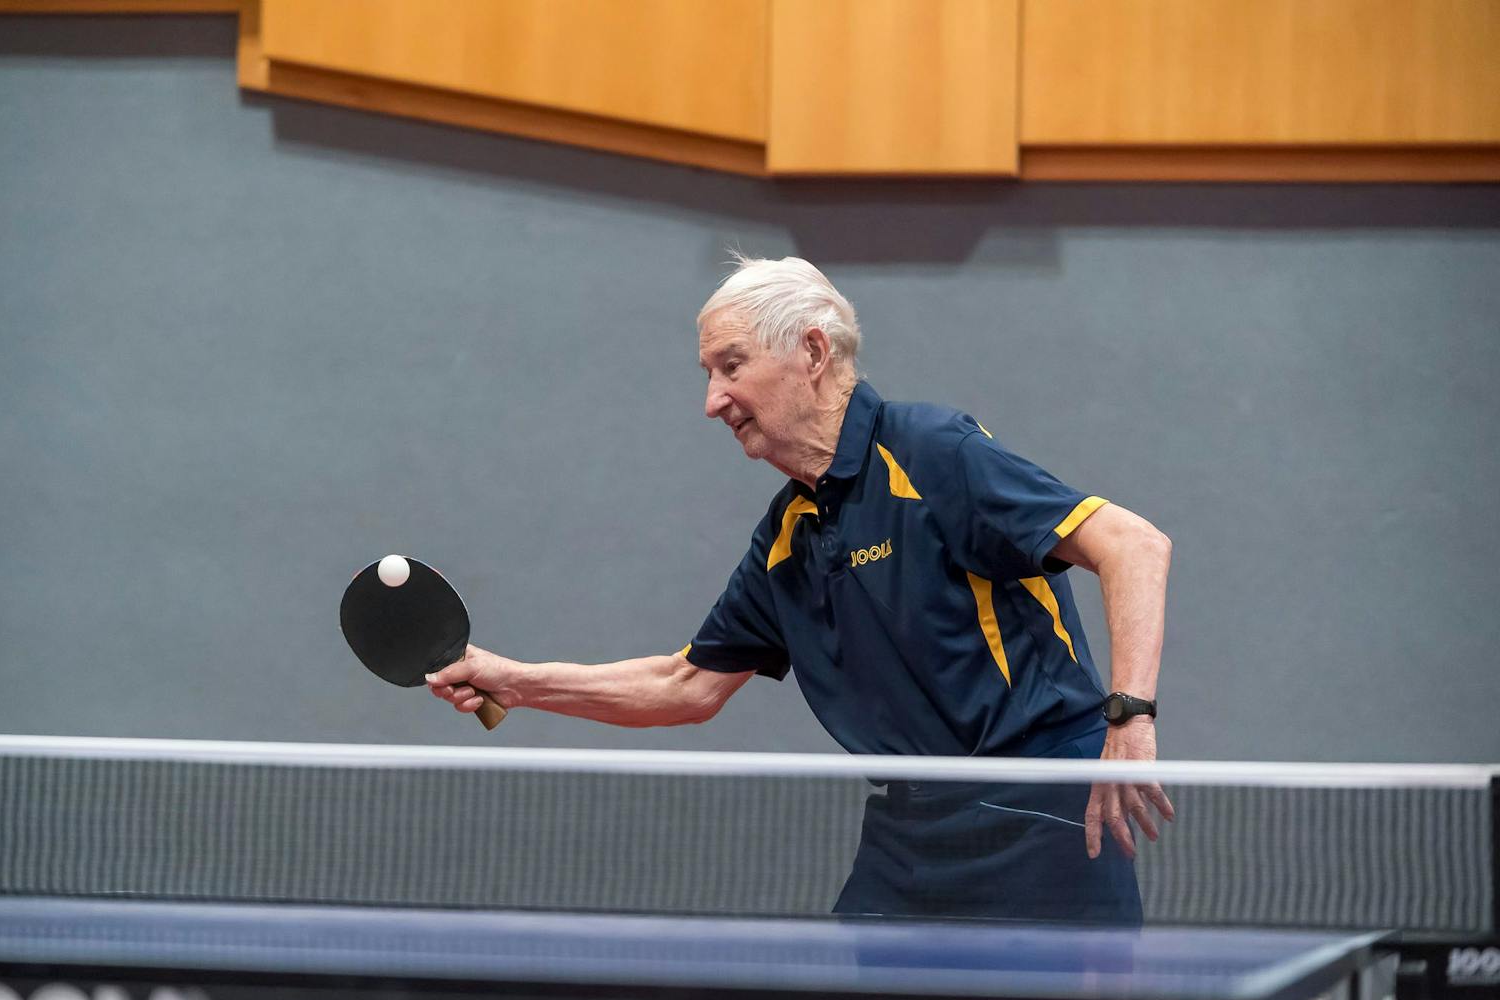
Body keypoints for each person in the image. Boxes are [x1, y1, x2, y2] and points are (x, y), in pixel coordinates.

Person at [428, 256, 1174, 923]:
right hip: (914, 830)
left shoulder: (932, 453)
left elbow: (1134, 545)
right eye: (709, 375)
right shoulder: (792, 534)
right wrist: (516, 682)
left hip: (1042, 809)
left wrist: (1130, 719)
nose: (713, 401)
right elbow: (685, 685)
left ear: (811, 352)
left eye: (731, 366)